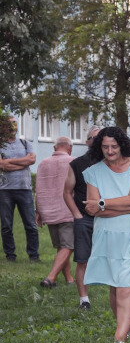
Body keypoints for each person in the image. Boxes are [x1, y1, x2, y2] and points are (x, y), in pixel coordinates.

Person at [82, 126, 130, 343]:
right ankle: (126, 328)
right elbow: (91, 210)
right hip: (106, 236)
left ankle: (119, 338)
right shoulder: (93, 172)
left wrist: (104, 203)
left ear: (123, 145)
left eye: (114, 146)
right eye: (105, 147)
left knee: (126, 285)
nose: (110, 151)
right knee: (114, 285)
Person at [63, 125, 101, 308]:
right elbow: (67, 192)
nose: (98, 141)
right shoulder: (77, 164)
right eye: (93, 138)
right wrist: (77, 215)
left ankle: (118, 294)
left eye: (101, 137)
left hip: (109, 218)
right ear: (87, 142)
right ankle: (84, 299)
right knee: (83, 260)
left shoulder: (112, 162)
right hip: (85, 219)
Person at [34, 136, 76, 287]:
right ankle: (50, 278)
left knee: (61, 246)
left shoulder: (43, 164)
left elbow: (38, 189)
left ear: (54, 148)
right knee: (68, 246)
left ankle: (69, 279)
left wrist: (38, 211)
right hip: (67, 209)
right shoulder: (73, 161)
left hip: (48, 210)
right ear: (70, 148)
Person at [0, 115, 39, 263]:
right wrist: (22, 163)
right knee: (6, 226)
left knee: (30, 225)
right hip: (5, 190)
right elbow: (2, 166)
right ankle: (10, 255)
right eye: (9, 124)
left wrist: (9, 161)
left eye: (14, 123)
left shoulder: (25, 143)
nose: (13, 127)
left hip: (24, 189)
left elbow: (32, 159)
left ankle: (34, 256)